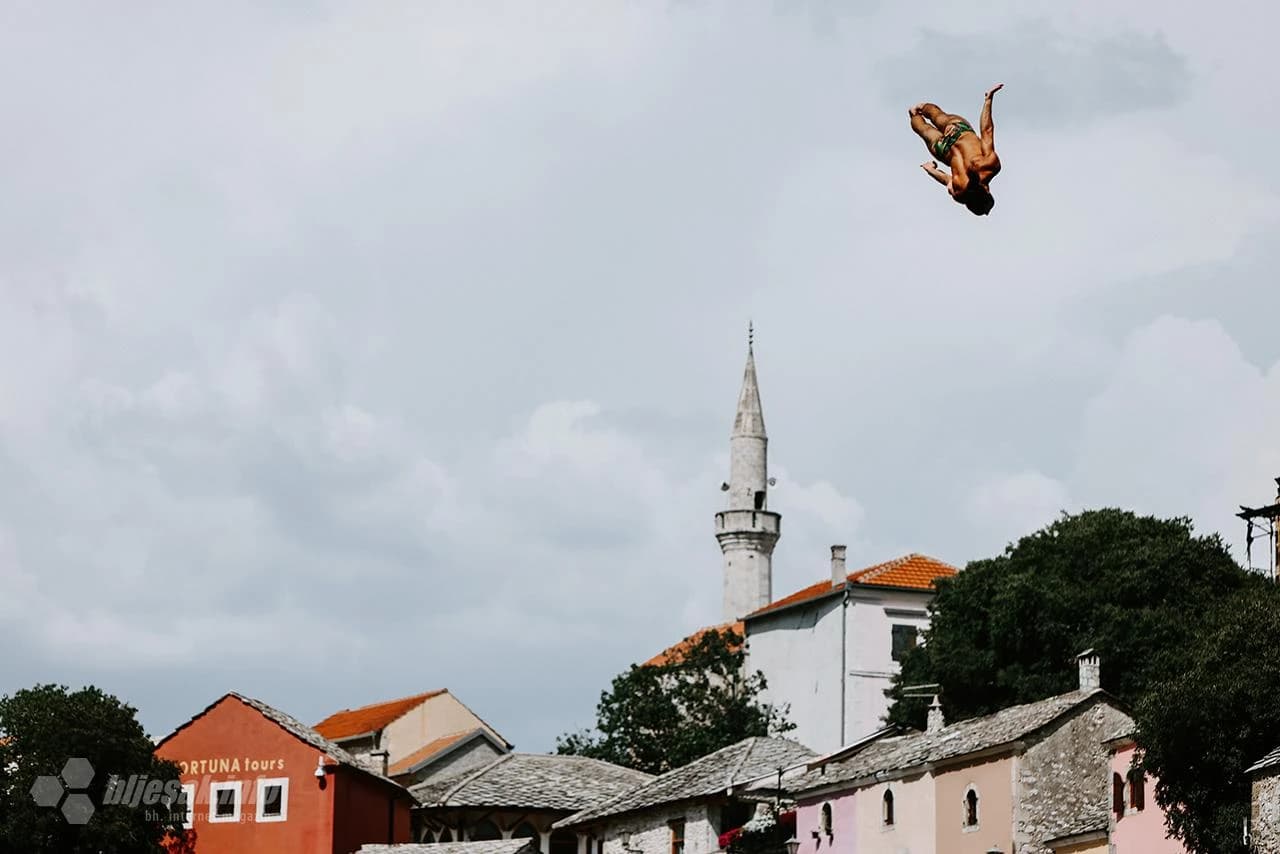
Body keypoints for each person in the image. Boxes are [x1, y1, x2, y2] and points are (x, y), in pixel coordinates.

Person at [909, 83, 1003, 216]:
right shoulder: (961, 194)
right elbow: (947, 180)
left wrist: (988, 101)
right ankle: (913, 114)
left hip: (959, 132)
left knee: (937, 115)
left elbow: (987, 131)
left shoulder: (990, 166)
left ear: (987, 191)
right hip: (943, 150)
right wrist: (930, 170)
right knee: (923, 129)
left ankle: (921, 107)